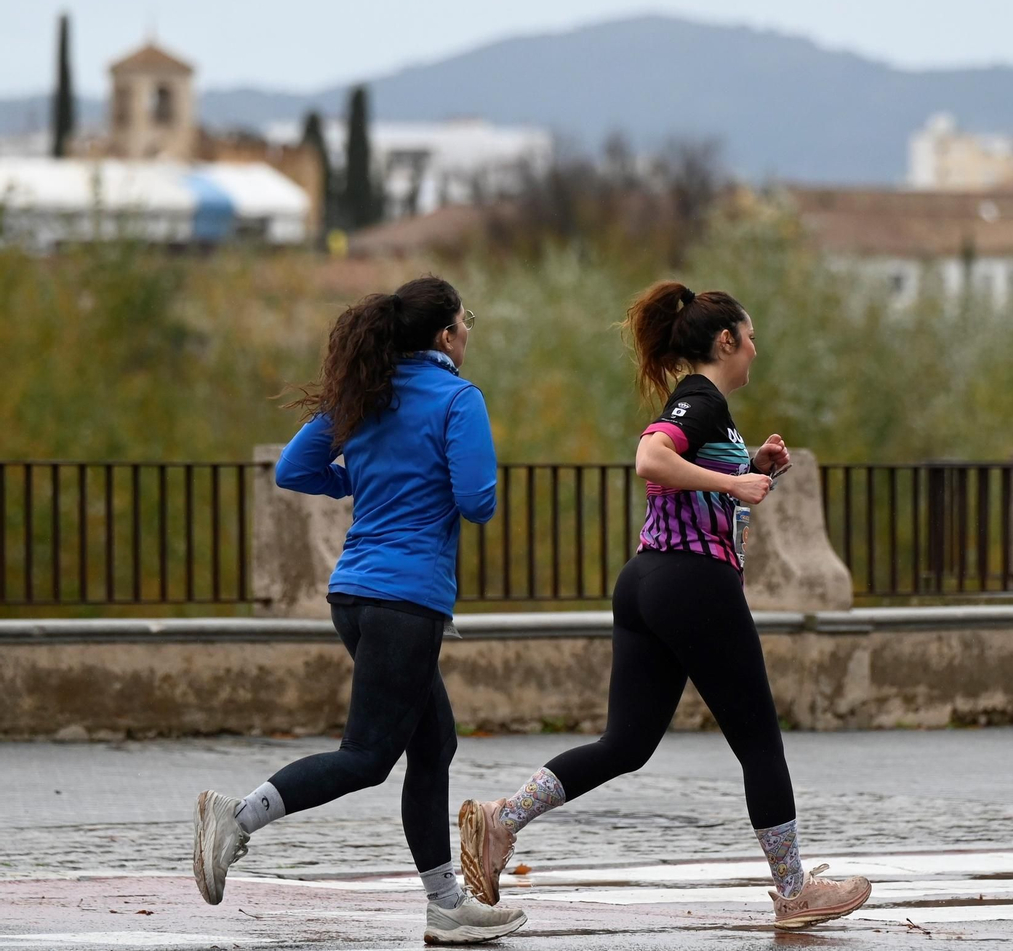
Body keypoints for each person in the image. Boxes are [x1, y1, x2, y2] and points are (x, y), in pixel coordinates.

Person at [456, 282, 871, 930]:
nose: (756, 348)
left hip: (648, 581)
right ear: (726, 340)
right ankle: (794, 892)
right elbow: (652, 457)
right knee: (760, 741)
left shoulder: (711, 411)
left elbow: (692, 484)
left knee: (626, 743)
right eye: (751, 335)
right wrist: (736, 480)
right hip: (695, 586)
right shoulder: (699, 398)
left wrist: (754, 466)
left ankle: (502, 821)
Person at [191, 276, 527, 946]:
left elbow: (293, 468)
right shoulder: (460, 399)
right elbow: (479, 500)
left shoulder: (366, 394)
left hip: (355, 595)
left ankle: (446, 905)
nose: (469, 335)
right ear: (445, 336)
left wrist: (360, 477)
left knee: (434, 745)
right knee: (369, 756)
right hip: (407, 600)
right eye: (466, 324)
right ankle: (236, 816)